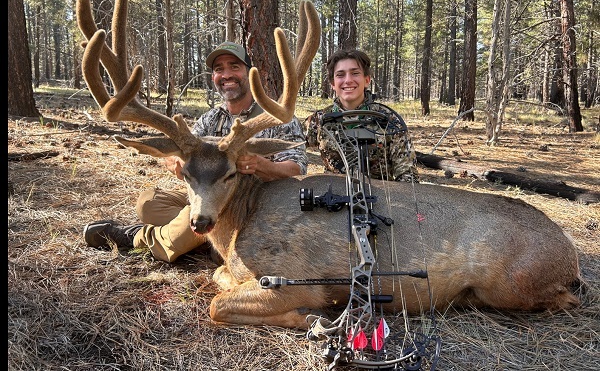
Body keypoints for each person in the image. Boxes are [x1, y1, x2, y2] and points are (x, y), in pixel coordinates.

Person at [83, 41, 308, 262]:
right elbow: (181, 151)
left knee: (189, 227)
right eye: (219, 69)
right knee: (148, 204)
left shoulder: (275, 117)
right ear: (214, 78)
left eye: (235, 66)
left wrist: (261, 165)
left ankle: (137, 237)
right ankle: (213, 241)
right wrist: (172, 160)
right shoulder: (211, 118)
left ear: (249, 73)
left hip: (253, 203)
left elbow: (298, 168)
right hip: (204, 193)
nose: (227, 74)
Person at [304, 48, 418, 182]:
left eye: (355, 73)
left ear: (367, 80)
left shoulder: (389, 120)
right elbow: (291, 147)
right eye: (340, 75)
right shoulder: (319, 120)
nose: (348, 80)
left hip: (379, 198)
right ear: (333, 84)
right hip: (333, 196)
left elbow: (408, 176)